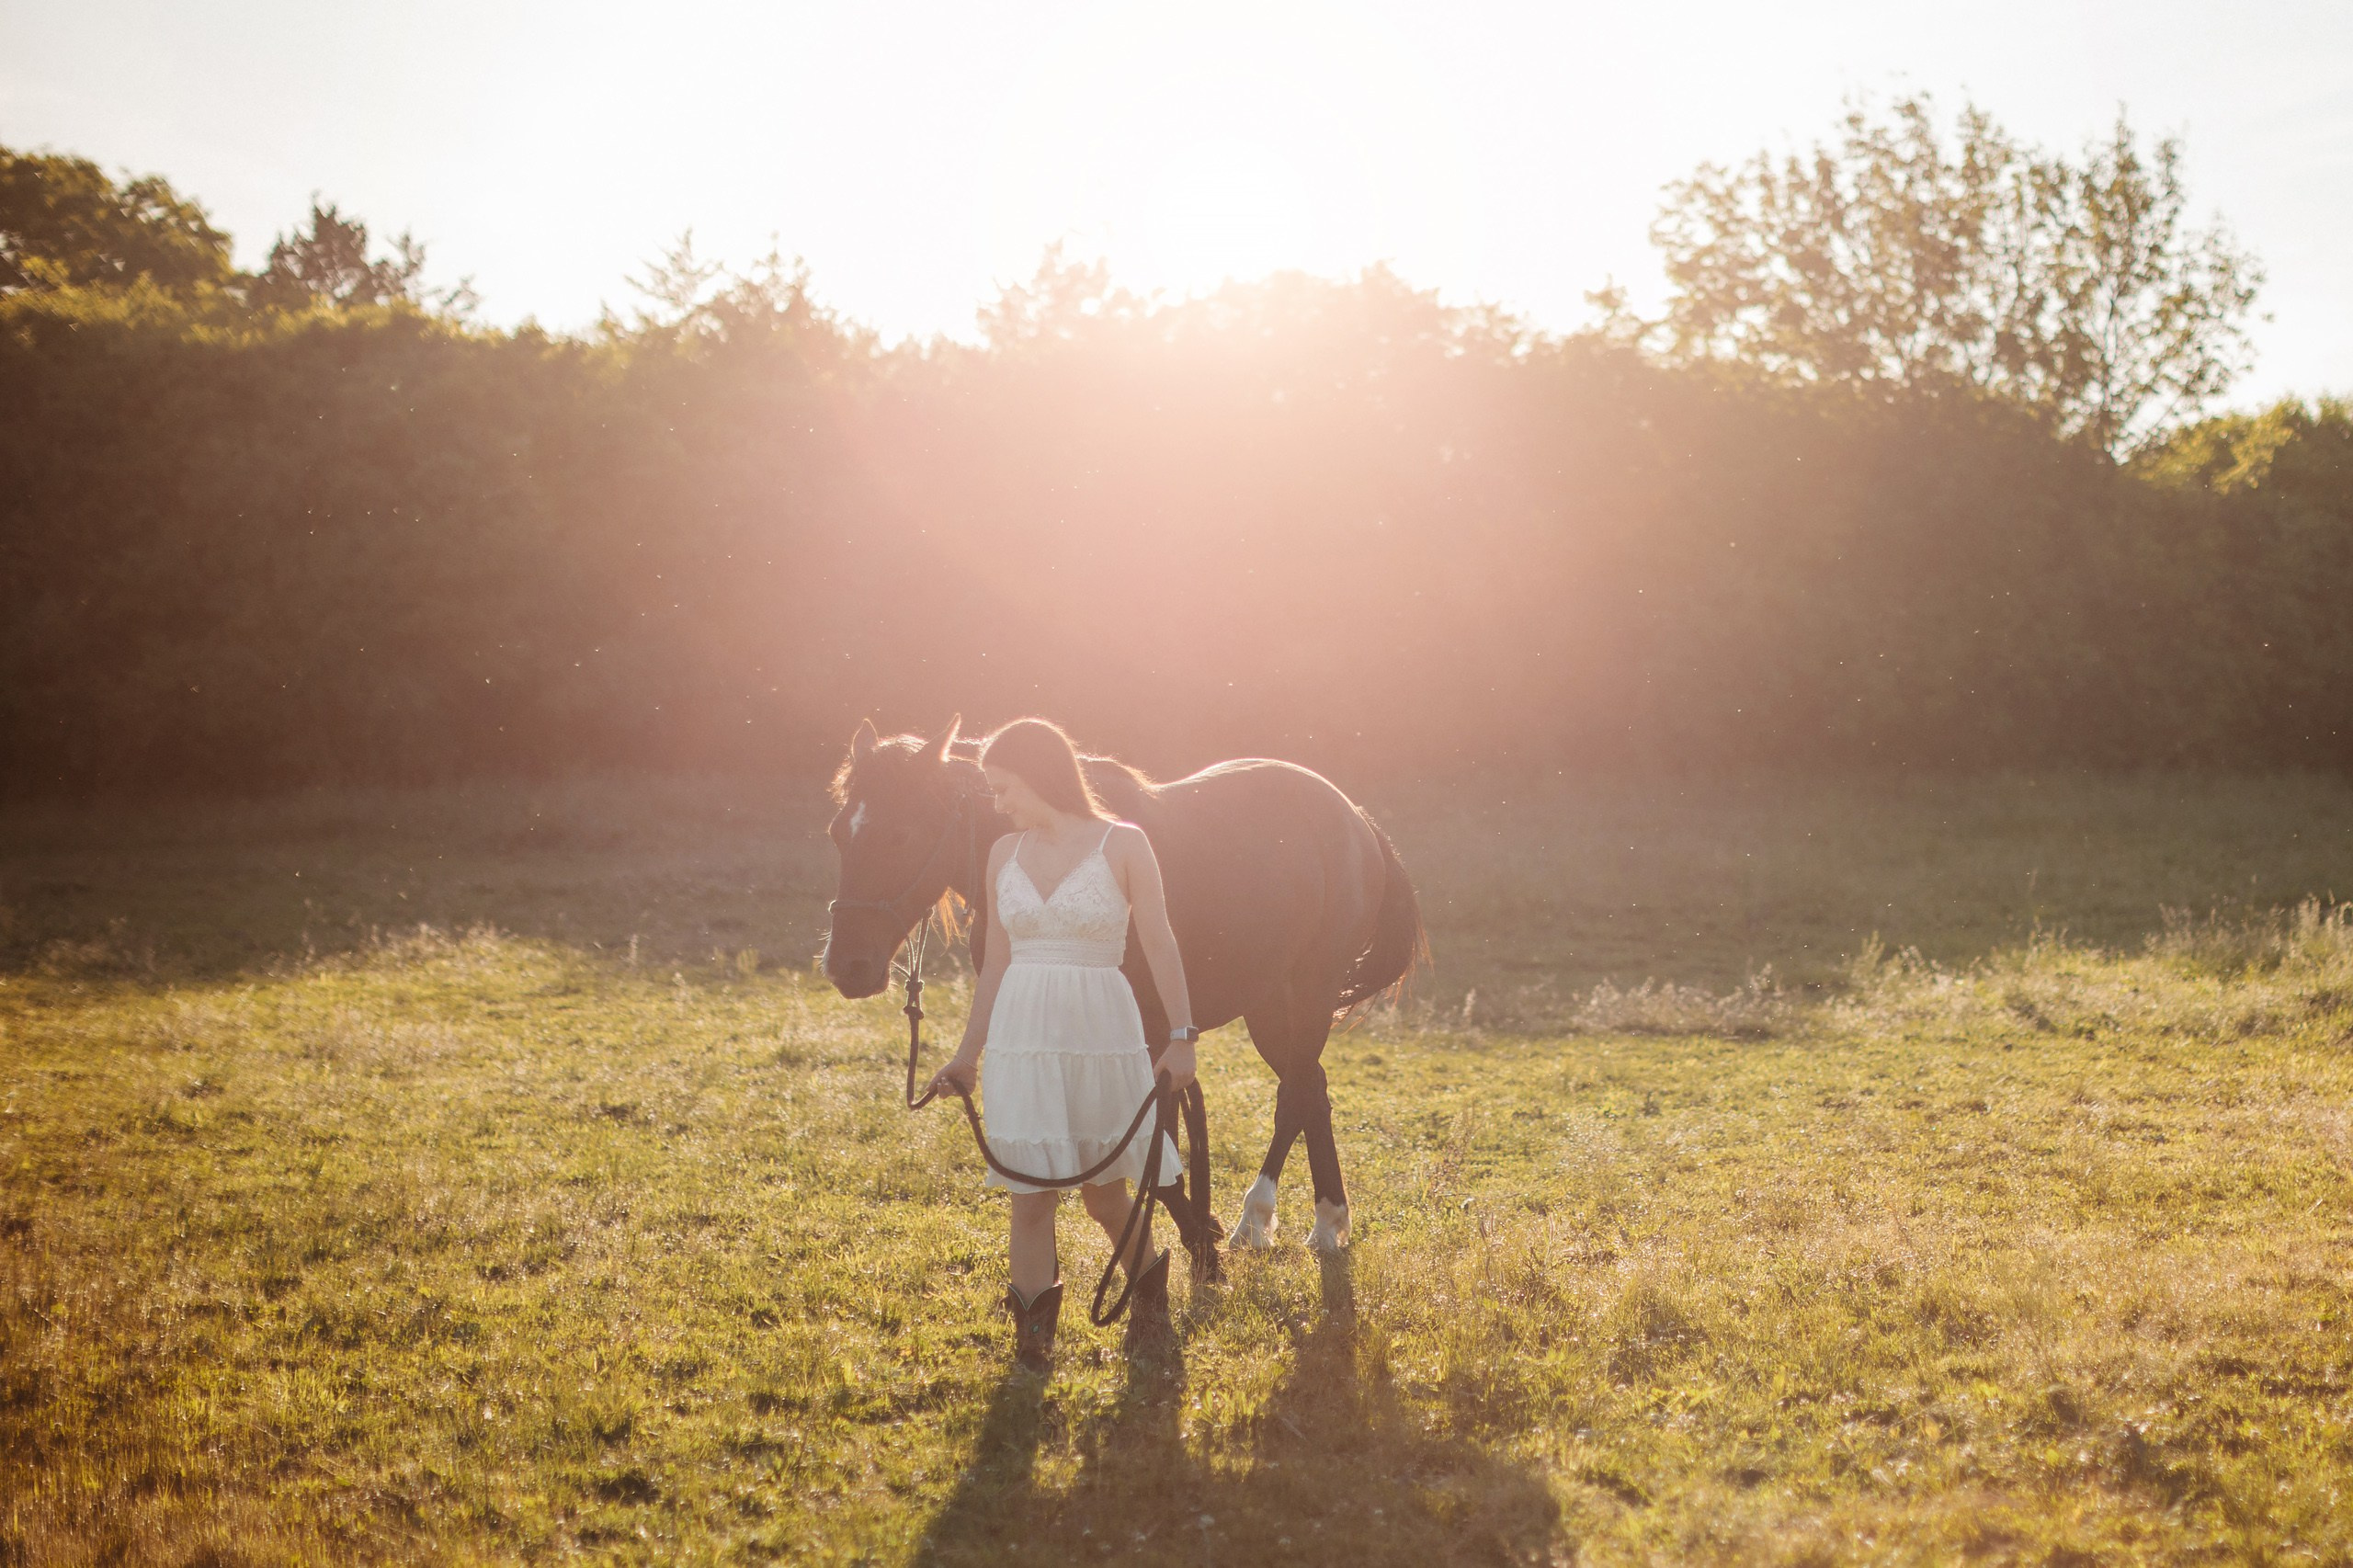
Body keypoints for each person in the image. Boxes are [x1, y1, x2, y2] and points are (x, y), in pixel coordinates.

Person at [926, 717, 1199, 1372]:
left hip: (1099, 1030)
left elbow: (1160, 943)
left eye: (1004, 788)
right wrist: (966, 1056)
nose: (998, 804)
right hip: (1024, 1036)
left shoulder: (1124, 844)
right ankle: (1032, 1343)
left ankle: (1150, 1296)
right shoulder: (1002, 854)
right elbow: (994, 964)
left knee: (1105, 1196)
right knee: (1030, 1195)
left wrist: (1183, 1036)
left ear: (1041, 776)